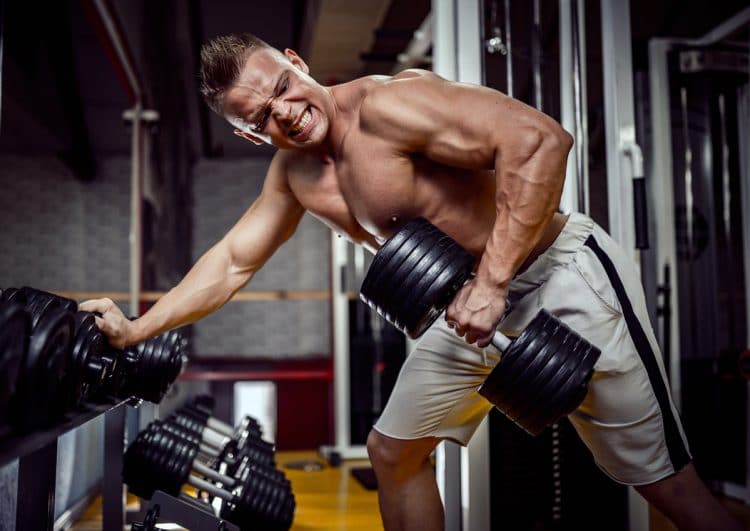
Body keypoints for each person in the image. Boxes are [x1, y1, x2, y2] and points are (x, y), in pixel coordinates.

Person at [81, 33, 741, 531]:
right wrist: (137, 329)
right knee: (392, 452)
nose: (284, 112)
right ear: (249, 135)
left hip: (559, 275)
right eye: (261, 117)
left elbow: (542, 141)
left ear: (296, 62)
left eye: (281, 86)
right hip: (467, 307)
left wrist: (493, 284)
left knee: (667, 487)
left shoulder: (390, 106)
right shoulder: (294, 175)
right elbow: (232, 261)